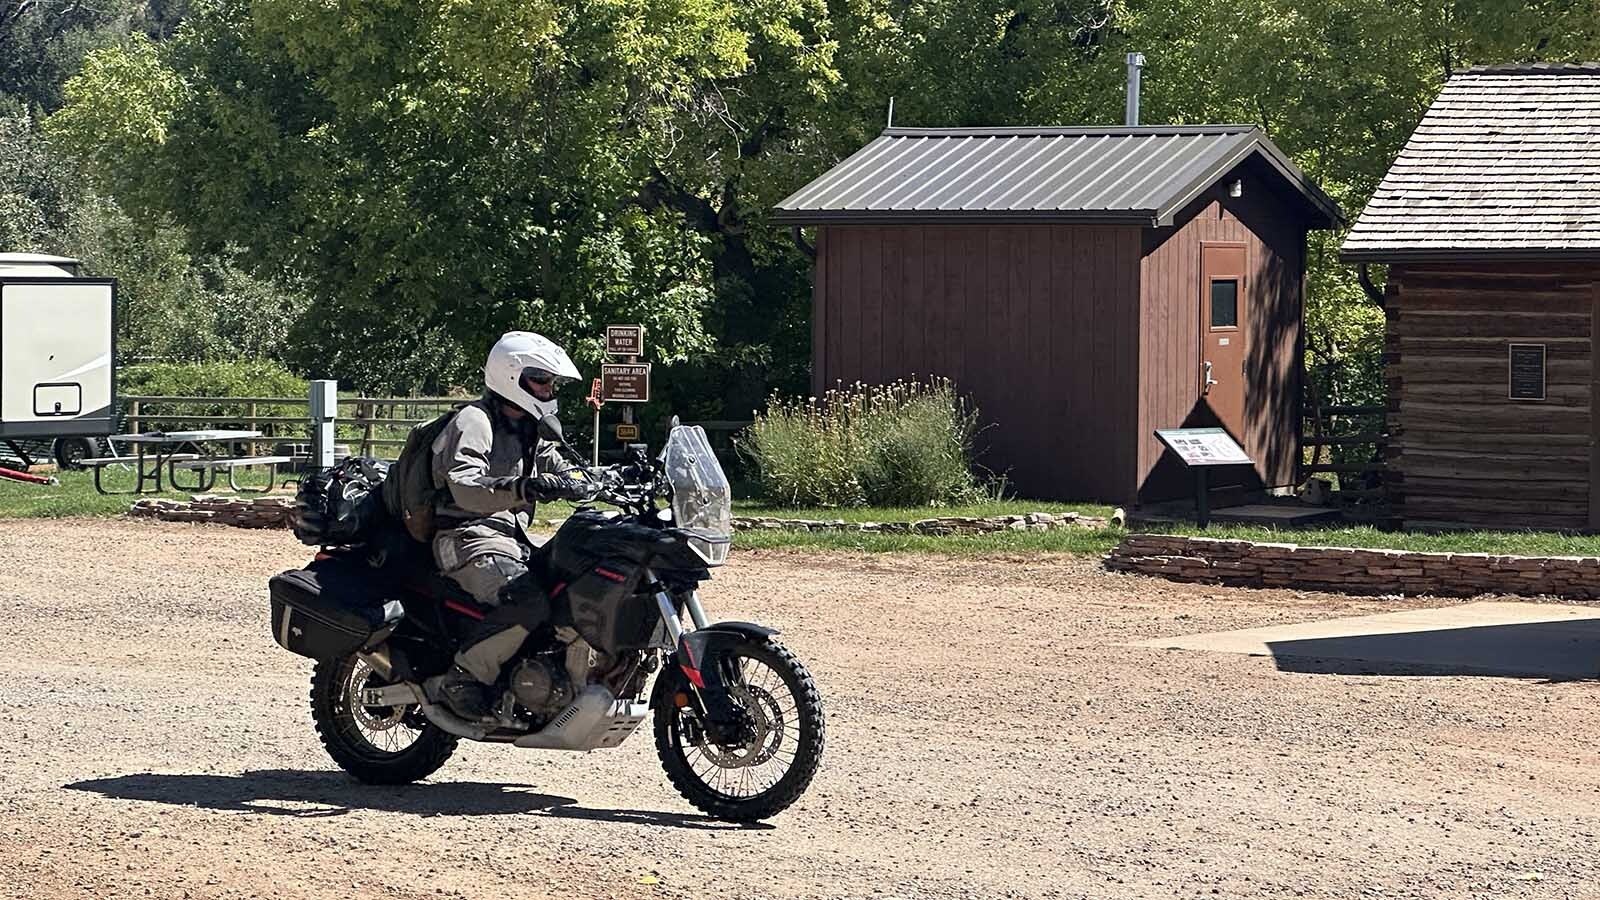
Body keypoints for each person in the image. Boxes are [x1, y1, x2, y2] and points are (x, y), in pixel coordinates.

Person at [426, 331, 599, 721]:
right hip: (467, 536)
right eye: (541, 379)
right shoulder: (475, 420)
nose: (549, 388)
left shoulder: (530, 427)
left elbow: (564, 467)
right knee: (528, 600)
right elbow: (466, 486)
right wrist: (523, 487)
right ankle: (463, 677)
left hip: (510, 538)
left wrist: (608, 477)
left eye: (552, 382)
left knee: (573, 585)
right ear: (512, 376)